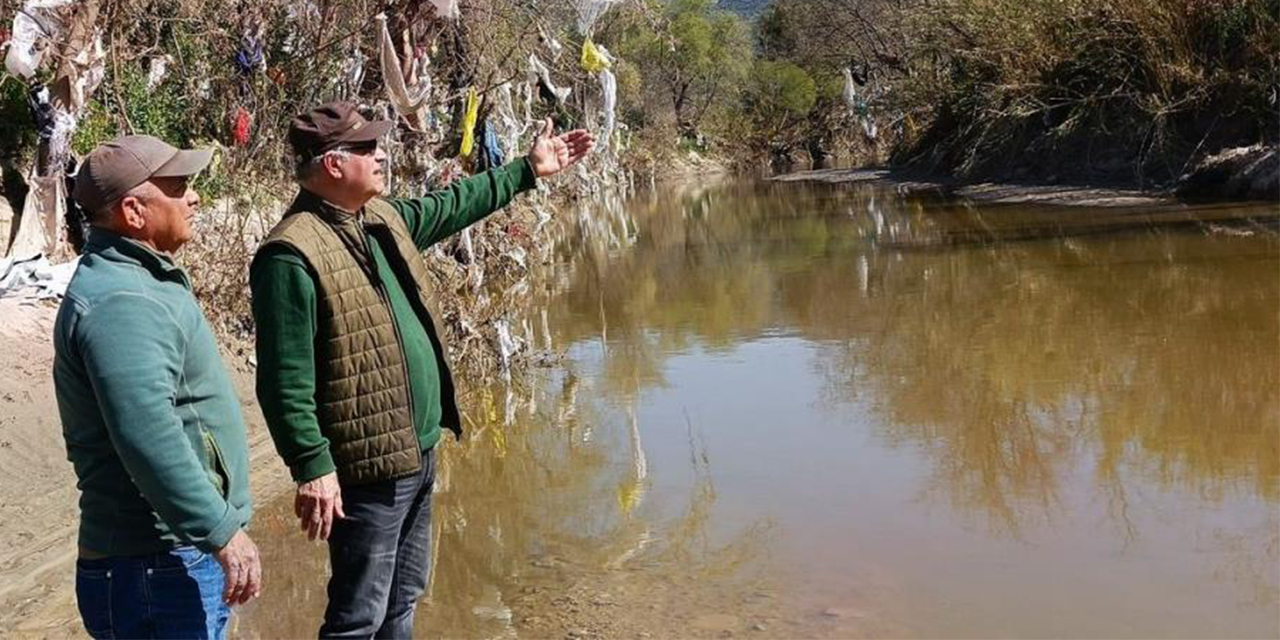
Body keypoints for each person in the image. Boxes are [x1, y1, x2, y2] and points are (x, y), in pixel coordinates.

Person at [251, 101, 593, 638]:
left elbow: (452, 204)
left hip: (418, 448)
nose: (383, 154)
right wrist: (312, 466)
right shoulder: (290, 254)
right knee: (356, 615)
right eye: (369, 148)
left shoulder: (380, 218)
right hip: (368, 469)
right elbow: (283, 379)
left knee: (404, 597)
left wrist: (526, 170)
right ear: (333, 164)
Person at [53, 135, 261, 640]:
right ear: (134, 211)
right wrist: (221, 530)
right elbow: (148, 434)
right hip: (153, 565)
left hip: (162, 561)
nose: (194, 198)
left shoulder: (139, 279)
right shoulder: (122, 301)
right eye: (179, 187)